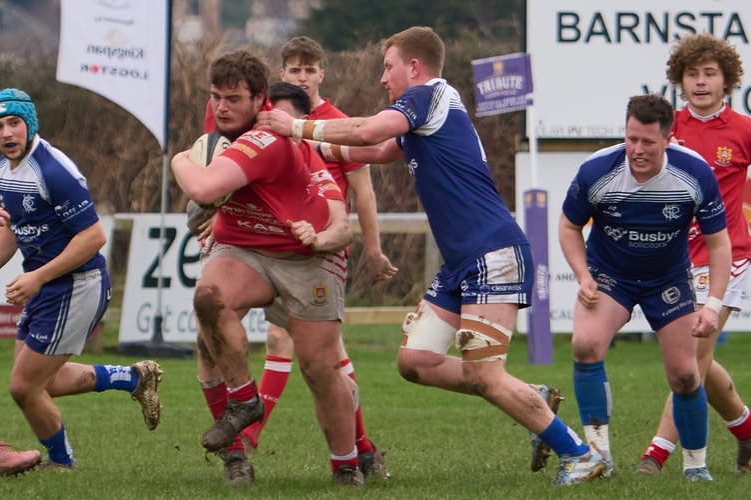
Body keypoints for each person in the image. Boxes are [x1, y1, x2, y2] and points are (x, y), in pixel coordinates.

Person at [257, 26, 606, 486]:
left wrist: (296, 127)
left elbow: (368, 128)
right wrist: (307, 147)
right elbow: (376, 147)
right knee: (415, 362)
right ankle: (525, 396)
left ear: (414, 67)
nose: (383, 78)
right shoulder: (424, 114)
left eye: (388, 67)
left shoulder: (428, 94)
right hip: (465, 262)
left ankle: (580, 454)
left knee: (484, 375)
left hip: (493, 253)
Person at [171, 48, 364, 487]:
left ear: (260, 101)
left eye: (233, 98)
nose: (222, 107)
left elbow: (201, 182)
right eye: (216, 96)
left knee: (319, 368)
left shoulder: (267, 137)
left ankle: (347, 462)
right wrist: (211, 215)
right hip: (244, 247)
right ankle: (242, 417)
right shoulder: (221, 118)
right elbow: (211, 191)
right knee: (208, 307)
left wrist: (178, 160)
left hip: (306, 254)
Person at [236, 36, 395, 479]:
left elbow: (363, 191)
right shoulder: (264, 115)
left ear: (321, 74)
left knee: (325, 357)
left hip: (322, 249)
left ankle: (352, 449)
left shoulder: (339, 122)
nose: (302, 76)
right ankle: (359, 450)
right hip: (272, 248)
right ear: (282, 73)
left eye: (310, 70)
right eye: (294, 70)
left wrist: (374, 248)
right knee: (290, 345)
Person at [558, 93, 731, 482]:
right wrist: (584, 275)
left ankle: (695, 466)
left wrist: (713, 304)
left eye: (648, 142)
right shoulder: (597, 170)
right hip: (609, 276)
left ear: (668, 139)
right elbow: (569, 227)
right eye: (631, 139)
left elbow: (719, 245)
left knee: (686, 375)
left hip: (667, 281)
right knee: (585, 345)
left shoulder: (695, 173)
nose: (637, 150)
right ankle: (598, 455)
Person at [0, 88, 163, 470]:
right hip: (50, 286)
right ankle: (133, 378)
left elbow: (94, 237)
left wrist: (37, 277)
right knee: (47, 382)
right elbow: (13, 230)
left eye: (14, 123)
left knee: (24, 386)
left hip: (76, 285)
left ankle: (61, 463)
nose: (7, 133)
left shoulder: (53, 171)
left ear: (30, 124)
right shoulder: (5, 169)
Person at [636, 33, 751, 476]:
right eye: (692, 74)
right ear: (680, 80)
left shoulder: (743, 131)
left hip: (729, 258)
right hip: (675, 260)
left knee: (690, 354)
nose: (701, 82)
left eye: (710, 73)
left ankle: (656, 453)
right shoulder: (668, 131)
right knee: (700, 360)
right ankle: (746, 431)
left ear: (727, 80)